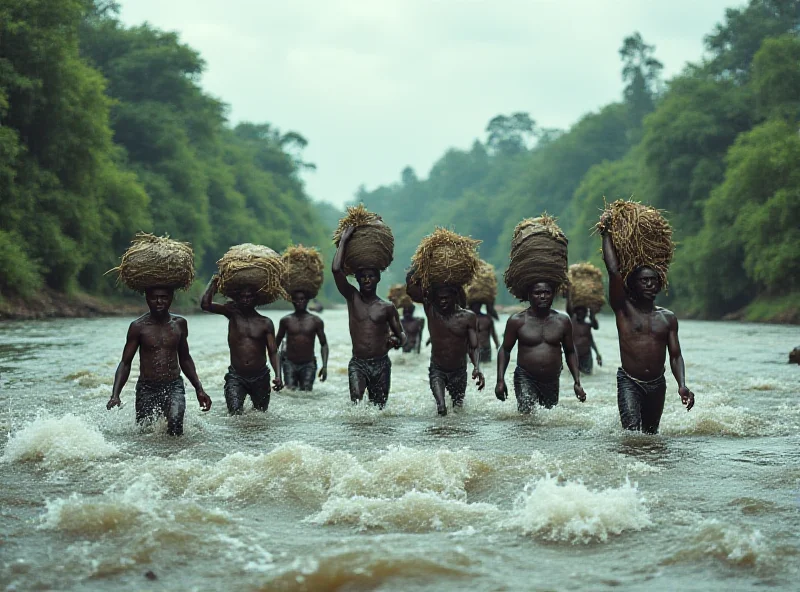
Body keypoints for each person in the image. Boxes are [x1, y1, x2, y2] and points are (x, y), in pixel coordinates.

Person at [600, 219, 695, 433]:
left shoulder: (668, 317)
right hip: (629, 381)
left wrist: (681, 384)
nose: (650, 284)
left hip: (657, 383)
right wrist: (605, 234)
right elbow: (614, 271)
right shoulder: (623, 309)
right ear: (633, 284)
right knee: (632, 433)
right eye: (644, 280)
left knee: (651, 436)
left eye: (653, 280)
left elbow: (675, 355)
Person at [106, 286, 212, 435]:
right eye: (154, 298)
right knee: (146, 432)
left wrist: (199, 389)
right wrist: (115, 395)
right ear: (147, 299)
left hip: (174, 385)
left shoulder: (179, 324)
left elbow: (185, 358)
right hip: (147, 388)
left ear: (171, 298)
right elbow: (125, 362)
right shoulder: (138, 327)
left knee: (175, 426)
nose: (159, 301)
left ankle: (177, 458)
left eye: (164, 297)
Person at [333, 226, 406, 407]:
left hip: (381, 364)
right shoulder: (352, 297)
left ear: (378, 279)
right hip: (358, 364)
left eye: (371, 276)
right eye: (363, 276)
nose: (367, 280)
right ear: (356, 279)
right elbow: (336, 270)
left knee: (379, 409)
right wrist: (343, 241)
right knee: (356, 406)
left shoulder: (387, 308)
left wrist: (396, 341)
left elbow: (402, 336)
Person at [495, 282, 586, 413]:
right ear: (529, 295)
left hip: (552, 379)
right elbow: (505, 349)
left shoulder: (563, 321)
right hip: (525, 376)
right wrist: (500, 380)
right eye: (537, 293)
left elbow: (570, 351)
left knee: (548, 419)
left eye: (547, 292)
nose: (543, 296)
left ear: (553, 295)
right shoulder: (517, 321)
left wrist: (577, 381)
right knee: (527, 415)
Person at [200, 276, 282, 415]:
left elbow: (273, 351)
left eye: (249, 297)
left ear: (256, 299)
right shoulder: (232, 313)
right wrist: (213, 284)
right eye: (242, 297)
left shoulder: (265, 323)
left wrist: (278, 375)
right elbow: (205, 305)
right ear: (237, 298)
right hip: (236, 376)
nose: (245, 300)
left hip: (260, 376)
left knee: (260, 415)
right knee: (234, 415)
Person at [408, 278, 484, 415]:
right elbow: (411, 291)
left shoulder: (468, 317)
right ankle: (439, 434)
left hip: (459, 371)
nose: (442, 301)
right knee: (442, 408)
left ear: (455, 296)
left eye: (446, 298)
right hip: (437, 369)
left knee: (458, 409)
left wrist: (477, 367)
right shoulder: (431, 310)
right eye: (439, 298)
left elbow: (474, 346)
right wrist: (416, 272)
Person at [276, 290, 328, 391]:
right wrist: (277, 373)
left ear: (307, 300)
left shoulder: (316, 321)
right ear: (292, 301)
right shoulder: (286, 321)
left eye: (302, 299)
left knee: (306, 393)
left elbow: (324, 344)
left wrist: (325, 366)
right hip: (289, 363)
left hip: (308, 364)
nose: (299, 302)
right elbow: (275, 346)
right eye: (296, 299)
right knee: (290, 392)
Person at [566, 297, 602, 375]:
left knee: (588, 376)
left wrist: (597, 354)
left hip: (586, 356)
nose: (580, 314)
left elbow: (591, 339)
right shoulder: (572, 321)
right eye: (578, 312)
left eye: (582, 312)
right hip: (575, 356)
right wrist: (568, 295)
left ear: (585, 314)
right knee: (574, 376)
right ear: (575, 312)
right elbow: (568, 308)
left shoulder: (587, 325)